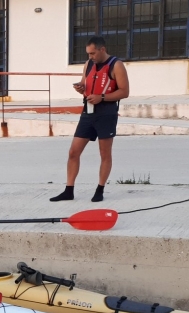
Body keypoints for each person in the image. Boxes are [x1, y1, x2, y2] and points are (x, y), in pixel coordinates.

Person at [51, 36, 129, 203]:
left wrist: (102, 97)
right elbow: (85, 84)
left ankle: (100, 189)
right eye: (88, 54)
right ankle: (69, 190)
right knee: (73, 152)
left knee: (104, 153)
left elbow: (124, 92)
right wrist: (81, 88)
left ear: (102, 49)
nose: (90, 56)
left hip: (106, 113)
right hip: (88, 111)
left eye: (93, 53)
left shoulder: (116, 65)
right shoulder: (89, 64)